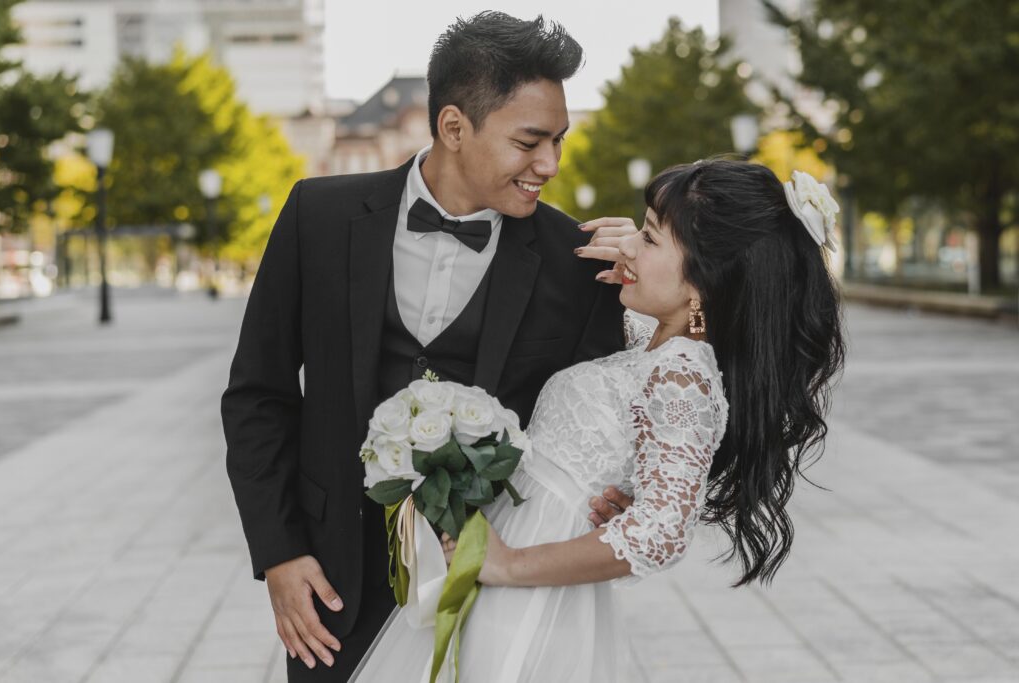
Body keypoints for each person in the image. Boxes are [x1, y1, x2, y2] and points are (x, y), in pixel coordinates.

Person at [220, 12, 639, 682]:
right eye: (530, 141)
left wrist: (619, 489)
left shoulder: (577, 262)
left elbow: (607, 424)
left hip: (497, 596)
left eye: (559, 140)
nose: (551, 165)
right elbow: (258, 395)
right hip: (332, 592)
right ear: (453, 127)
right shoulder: (317, 218)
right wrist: (279, 553)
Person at [348, 158, 846, 681]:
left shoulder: (682, 374)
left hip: (527, 580)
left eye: (649, 237)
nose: (629, 242)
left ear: (705, 284)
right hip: (520, 560)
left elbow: (662, 530)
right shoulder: (656, 350)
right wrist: (629, 266)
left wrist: (509, 564)